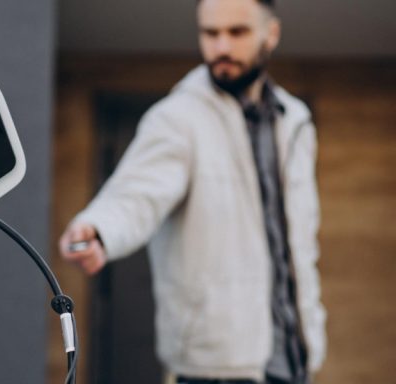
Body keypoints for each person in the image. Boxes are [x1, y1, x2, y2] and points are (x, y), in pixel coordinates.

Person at [58, 0, 326, 383]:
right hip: (212, 368)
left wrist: (312, 326)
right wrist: (99, 229)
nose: (221, 48)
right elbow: (136, 194)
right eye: (210, 33)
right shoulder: (177, 118)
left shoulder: (295, 122)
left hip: (294, 360)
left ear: (272, 34)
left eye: (237, 32)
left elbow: (300, 245)